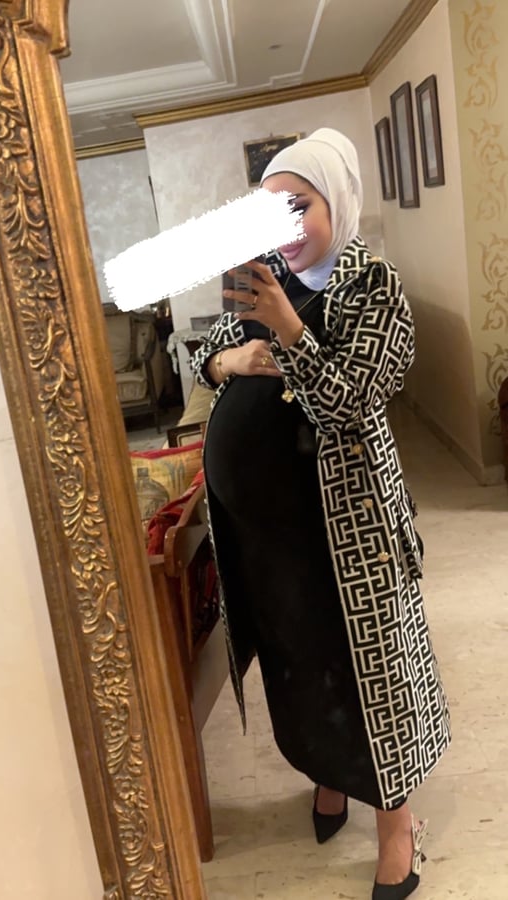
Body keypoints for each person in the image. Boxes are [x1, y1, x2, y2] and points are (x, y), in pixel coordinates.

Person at [190, 128, 451, 900]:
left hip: (351, 531)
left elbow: (350, 400)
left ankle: (397, 828)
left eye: (300, 206)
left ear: (336, 199)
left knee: (371, 673)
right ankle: (328, 776)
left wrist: (288, 330)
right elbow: (206, 356)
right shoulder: (264, 273)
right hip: (270, 537)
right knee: (300, 661)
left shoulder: (374, 286)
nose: (287, 227)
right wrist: (231, 359)